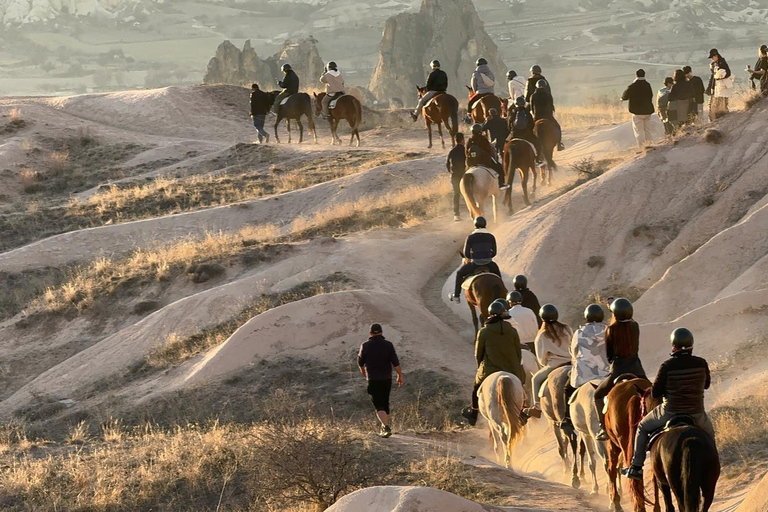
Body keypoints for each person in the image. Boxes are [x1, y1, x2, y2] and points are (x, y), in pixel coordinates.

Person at [622, 328, 716, 481]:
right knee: (710, 436)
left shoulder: (667, 365)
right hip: (696, 413)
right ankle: (713, 465)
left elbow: (656, 393)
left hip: (670, 412)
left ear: (674, 346)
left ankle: (636, 467)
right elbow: (706, 385)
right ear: (691, 345)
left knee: (642, 427)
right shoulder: (701, 363)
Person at [462, 301, 526, 426]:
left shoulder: (484, 332)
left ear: (490, 315)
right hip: (511, 368)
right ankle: (523, 410)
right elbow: (518, 352)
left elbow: (478, 354)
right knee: (521, 385)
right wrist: (515, 367)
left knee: (476, 387)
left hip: (490, 369)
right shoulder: (512, 331)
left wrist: (480, 365)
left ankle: (474, 412)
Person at [594, 298, 647, 441]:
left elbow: (609, 355)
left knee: (597, 395)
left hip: (618, 369)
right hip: (637, 368)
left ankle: (603, 428)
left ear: (615, 314)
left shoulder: (610, 329)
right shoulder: (635, 326)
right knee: (652, 393)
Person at [561, 304, 609, 431]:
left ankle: (568, 419)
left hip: (585, 374)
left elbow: (574, 353)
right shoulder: (609, 331)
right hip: (607, 373)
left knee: (567, 389)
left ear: (586, 317)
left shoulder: (579, 332)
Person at [523, 304, 573, 419]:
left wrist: (548, 362)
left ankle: (536, 407)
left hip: (554, 366)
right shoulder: (567, 328)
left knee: (535, 379)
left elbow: (541, 359)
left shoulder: (542, 335)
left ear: (542, 318)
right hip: (571, 363)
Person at [357, 323, 403, 438]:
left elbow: (360, 362)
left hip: (373, 379)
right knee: (385, 402)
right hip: (386, 378)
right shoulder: (388, 345)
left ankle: (386, 427)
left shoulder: (365, 345)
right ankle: (384, 426)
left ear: (370, 333)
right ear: (382, 332)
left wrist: (363, 371)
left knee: (378, 405)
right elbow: (395, 363)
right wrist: (399, 375)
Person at [449, 216, 500, 303]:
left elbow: (466, 254)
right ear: (485, 225)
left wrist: (475, 255)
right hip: (489, 263)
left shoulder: (470, 237)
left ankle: (456, 296)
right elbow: (494, 253)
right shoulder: (491, 237)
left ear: (475, 225)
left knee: (459, 273)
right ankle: (502, 297)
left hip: (475, 264)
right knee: (498, 277)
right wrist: (487, 255)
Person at [467, 123, 509, 190]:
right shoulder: (483, 139)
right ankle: (501, 184)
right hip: (484, 161)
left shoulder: (469, 140)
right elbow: (489, 151)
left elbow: (466, 151)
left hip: (472, 162)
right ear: (480, 131)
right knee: (499, 167)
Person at [621, 69, 655, 149]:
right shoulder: (648, 85)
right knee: (648, 130)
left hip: (637, 112)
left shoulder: (632, 86)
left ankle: (642, 147)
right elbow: (651, 95)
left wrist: (622, 98)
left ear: (636, 75)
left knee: (639, 131)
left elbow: (625, 96)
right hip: (648, 111)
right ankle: (649, 144)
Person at [507, 96, 544, 165]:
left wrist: (512, 132)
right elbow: (532, 125)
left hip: (515, 134)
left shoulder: (512, 112)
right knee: (538, 143)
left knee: (506, 145)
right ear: (524, 103)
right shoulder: (527, 112)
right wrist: (529, 131)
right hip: (527, 135)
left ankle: (506, 160)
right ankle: (537, 159)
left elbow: (509, 125)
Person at [707, 48, 732, 121]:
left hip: (722, 87)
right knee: (713, 104)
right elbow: (713, 76)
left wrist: (720, 75)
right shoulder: (713, 64)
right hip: (716, 86)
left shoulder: (722, 62)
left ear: (716, 55)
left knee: (722, 103)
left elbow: (728, 73)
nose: (712, 59)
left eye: (713, 57)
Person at [447, 132, 467, 222]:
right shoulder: (465, 150)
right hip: (463, 175)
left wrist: (451, 172)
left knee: (456, 194)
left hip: (454, 175)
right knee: (469, 193)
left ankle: (456, 214)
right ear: (463, 140)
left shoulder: (452, 151)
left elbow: (447, 164)